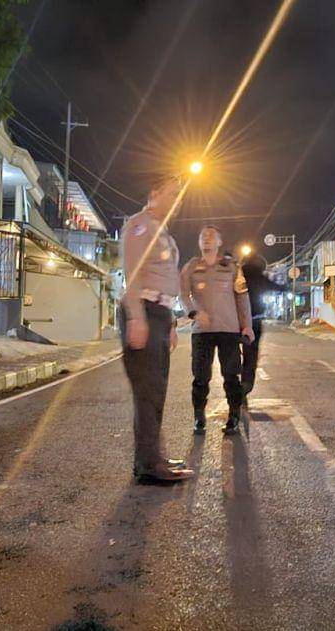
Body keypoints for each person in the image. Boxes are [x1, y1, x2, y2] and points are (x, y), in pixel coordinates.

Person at [120, 174, 194, 485]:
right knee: (147, 392)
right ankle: (148, 464)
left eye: (180, 197)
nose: (177, 202)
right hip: (145, 310)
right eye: (172, 194)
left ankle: (153, 457)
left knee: (157, 390)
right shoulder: (140, 225)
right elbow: (133, 272)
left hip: (160, 314)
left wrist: (172, 323)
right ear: (154, 194)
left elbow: (168, 283)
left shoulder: (162, 232)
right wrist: (136, 317)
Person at [179, 225, 254, 436]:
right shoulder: (191, 267)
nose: (207, 238)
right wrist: (194, 313)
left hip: (229, 330)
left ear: (219, 242)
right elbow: (183, 294)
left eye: (212, 236)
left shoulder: (231, 267)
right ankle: (199, 417)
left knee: (231, 376)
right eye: (203, 236)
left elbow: (242, 297)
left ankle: (234, 417)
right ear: (199, 242)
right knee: (200, 377)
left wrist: (247, 325)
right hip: (201, 332)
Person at [239, 254, 288, 402]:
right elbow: (278, 288)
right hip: (254, 321)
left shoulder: (238, 275)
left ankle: (233, 386)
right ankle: (245, 386)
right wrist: (285, 284)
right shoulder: (260, 276)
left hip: (235, 322)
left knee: (231, 355)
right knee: (251, 356)